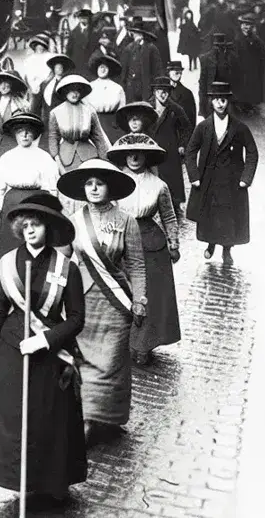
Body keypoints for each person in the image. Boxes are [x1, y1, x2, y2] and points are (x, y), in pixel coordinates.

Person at [0, 192, 87, 508]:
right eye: (25, 224)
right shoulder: (7, 264)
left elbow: (78, 319)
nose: (30, 230)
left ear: (49, 228)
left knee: (50, 419)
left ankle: (53, 481)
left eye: (37, 224)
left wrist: (46, 339)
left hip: (52, 355)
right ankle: (21, 480)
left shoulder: (67, 268)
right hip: (13, 350)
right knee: (16, 418)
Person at [57, 159, 147, 445]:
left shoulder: (127, 221)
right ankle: (86, 418)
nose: (94, 189)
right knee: (85, 362)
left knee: (112, 364)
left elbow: (137, 265)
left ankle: (109, 416)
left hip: (116, 303)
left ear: (110, 188)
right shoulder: (73, 222)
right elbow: (60, 263)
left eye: (100, 183)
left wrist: (140, 301)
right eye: (89, 184)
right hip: (82, 303)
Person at [106, 134, 181, 366]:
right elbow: (107, 211)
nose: (134, 158)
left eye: (139, 154)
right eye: (130, 154)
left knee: (151, 294)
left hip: (151, 241)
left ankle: (143, 345)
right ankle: (123, 342)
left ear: (147, 157)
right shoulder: (116, 183)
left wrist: (173, 242)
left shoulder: (159, 185)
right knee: (123, 290)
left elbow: (168, 215)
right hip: (122, 237)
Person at [185, 82, 260, 265]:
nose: (220, 104)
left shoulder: (239, 127)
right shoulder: (203, 127)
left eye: (224, 100)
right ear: (211, 102)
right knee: (210, 215)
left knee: (228, 217)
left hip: (231, 182)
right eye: (217, 100)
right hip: (208, 180)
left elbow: (252, 152)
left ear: (228, 102)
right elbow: (190, 152)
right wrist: (194, 177)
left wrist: (245, 178)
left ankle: (227, 250)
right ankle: (211, 244)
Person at [0, 113, 63, 255]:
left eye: (28, 131)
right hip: (11, 208)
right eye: (20, 131)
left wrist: (52, 219)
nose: (24, 135)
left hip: (36, 206)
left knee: (35, 251)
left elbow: (53, 190)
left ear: (34, 134)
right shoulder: (6, 158)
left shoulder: (44, 158)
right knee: (10, 252)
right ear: (15, 134)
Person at [0, 70, 32, 201]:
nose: (3, 86)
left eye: (7, 83)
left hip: (15, 144)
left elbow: (29, 127)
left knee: (14, 181)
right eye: (0, 83)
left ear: (12, 85)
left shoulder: (22, 105)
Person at [144, 78, 194, 211]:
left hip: (170, 149)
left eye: (166, 91)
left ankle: (175, 205)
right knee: (151, 176)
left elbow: (187, 127)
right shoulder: (147, 107)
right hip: (152, 147)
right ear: (154, 92)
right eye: (159, 91)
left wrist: (182, 144)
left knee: (171, 178)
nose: (162, 94)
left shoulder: (175, 108)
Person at [45, 75, 111, 171]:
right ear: (65, 92)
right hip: (65, 158)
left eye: (77, 90)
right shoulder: (56, 112)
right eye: (70, 90)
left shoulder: (89, 111)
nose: (74, 94)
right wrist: (57, 161)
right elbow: (53, 138)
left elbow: (98, 138)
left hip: (89, 156)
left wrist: (105, 161)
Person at [86, 55, 127, 141]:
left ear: (110, 70)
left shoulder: (117, 88)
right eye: (100, 67)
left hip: (111, 126)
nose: (102, 70)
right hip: (93, 123)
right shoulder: (90, 86)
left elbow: (122, 111)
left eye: (105, 68)